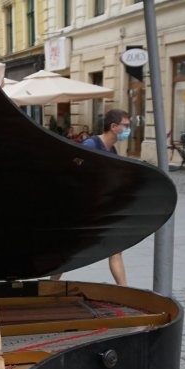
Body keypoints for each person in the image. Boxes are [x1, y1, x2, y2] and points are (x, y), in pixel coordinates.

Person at [52, 109, 132, 286]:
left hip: (101, 208)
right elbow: (73, 173)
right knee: (68, 251)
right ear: (114, 127)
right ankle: (50, 286)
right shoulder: (91, 145)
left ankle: (125, 290)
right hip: (82, 209)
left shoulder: (112, 150)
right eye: (126, 125)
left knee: (116, 250)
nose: (128, 129)